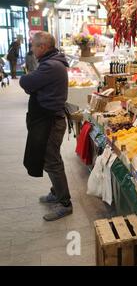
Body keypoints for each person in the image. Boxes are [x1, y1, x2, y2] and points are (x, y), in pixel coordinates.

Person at [19, 31, 72, 221]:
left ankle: (65, 203)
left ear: (43, 47)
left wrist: (30, 82)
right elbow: (30, 84)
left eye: (33, 45)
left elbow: (26, 81)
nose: (32, 49)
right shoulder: (52, 63)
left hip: (51, 120)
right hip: (47, 118)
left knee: (52, 161)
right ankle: (56, 192)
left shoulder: (50, 66)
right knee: (52, 158)